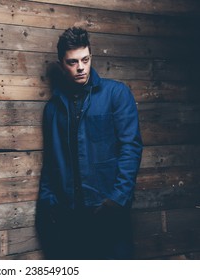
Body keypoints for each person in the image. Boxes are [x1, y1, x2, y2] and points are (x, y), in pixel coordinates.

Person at [36, 27, 143, 260]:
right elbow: (51, 160)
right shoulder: (53, 108)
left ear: (91, 56)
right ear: (62, 64)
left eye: (85, 59)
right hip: (70, 217)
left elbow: (131, 148)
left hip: (108, 212)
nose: (81, 67)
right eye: (72, 62)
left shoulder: (116, 94)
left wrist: (117, 200)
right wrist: (49, 202)